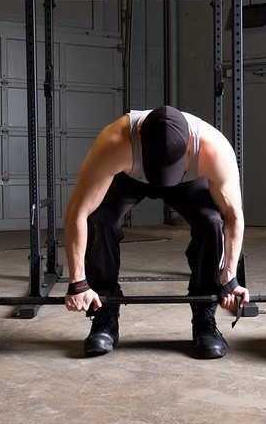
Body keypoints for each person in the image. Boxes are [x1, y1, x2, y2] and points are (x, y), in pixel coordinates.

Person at [64, 105, 249, 358]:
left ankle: (204, 316)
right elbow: (78, 212)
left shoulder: (213, 148)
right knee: (99, 220)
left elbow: (233, 215)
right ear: (137, 137)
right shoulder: (116, 142)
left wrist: (229, 278)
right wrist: (78, 282)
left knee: (211, 222)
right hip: (130, 174)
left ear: (190, 143)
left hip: (187, 180)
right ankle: (104, 314)